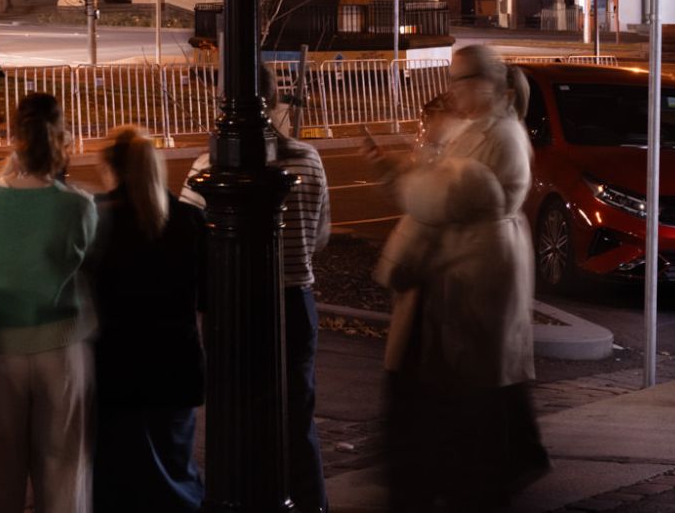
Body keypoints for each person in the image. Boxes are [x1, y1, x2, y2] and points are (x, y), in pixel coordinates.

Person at [364, 45, 547, 510]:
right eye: (453, 79)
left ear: (491, 86)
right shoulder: (473, 130)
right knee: (446, 381)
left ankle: (471, 477)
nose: (453, 90)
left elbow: (441, 194)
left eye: (463, 80)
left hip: (471, 275)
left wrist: (413, 170)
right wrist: (403, 168)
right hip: (451, 273)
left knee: (469, 387)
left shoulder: (501, 135)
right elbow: (432, 189)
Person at [179, 68, 331, 513]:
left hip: (234, 304)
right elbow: (320, 233)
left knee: (235, 413)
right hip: (295, 296)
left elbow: (190, 235)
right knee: (297, 414)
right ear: (277, 102)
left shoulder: (208, 168)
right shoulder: (308, 159)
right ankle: (309, 501)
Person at [0, 92, 99, 513]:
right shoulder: (77, 204)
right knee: (62, 472)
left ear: (12, 136)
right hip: (60, 346)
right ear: (62, 139)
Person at [87, 125, 204, 513]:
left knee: (117, 478)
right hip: (174, 364)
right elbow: (205, 293)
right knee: (173, 468)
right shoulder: (189, 221)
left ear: (109, 167)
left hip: (114, 366)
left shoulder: (97, 219)